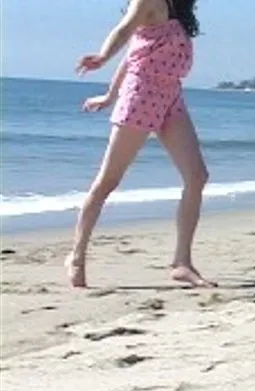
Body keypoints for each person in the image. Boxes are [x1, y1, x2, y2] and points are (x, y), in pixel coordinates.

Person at [68, 0, 216, 288]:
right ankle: (77, 255)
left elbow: (134, 52)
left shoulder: (177, 8)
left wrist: (109, 95)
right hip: (142, 95)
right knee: (108, 181)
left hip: (171, 95)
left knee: (197, 176)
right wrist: (102, 57)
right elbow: (124, 31)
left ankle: (182, 263)